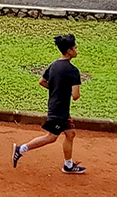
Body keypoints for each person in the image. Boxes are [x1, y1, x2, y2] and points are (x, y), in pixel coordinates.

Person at [12, 35, 86, 173]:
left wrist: (56, 89)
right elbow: (76, 95)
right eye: (75, 48)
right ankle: (21, 149)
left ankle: (68, 165)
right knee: (51, 137)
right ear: (69, 51)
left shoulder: (53, 65)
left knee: (70, 133)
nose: (76, 50)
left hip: (55, 106)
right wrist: (66, 92)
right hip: (60, 111)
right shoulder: (73, 70)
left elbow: (42, 81)